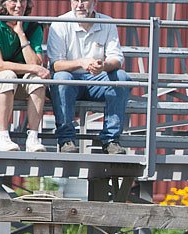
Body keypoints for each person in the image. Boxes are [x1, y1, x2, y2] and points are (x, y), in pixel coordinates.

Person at [47, 0, 130, 154]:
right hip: (70, 79)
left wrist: (103, 66)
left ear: (94, 2)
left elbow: (117, 59)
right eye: (75, 0)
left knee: (121, 77)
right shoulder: (59, 24)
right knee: (61, 78)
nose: (79, 5)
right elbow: (55, 65)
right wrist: (80, 63)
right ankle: (66, 140)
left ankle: (111, 140)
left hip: (97, 79)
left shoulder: (107, 22)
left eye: (84, 0)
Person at [0, 0, 48, 152]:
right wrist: (31, 68)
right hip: (2, 83)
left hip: (21, 85)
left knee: (37, 80)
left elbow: (36, 65)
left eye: (23, 1)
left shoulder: (33, 26)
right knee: (7, 75)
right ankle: (3, 136)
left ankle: (33, 137)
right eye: (14, 1)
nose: (19, 5)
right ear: (3, 4)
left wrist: (21, 34)